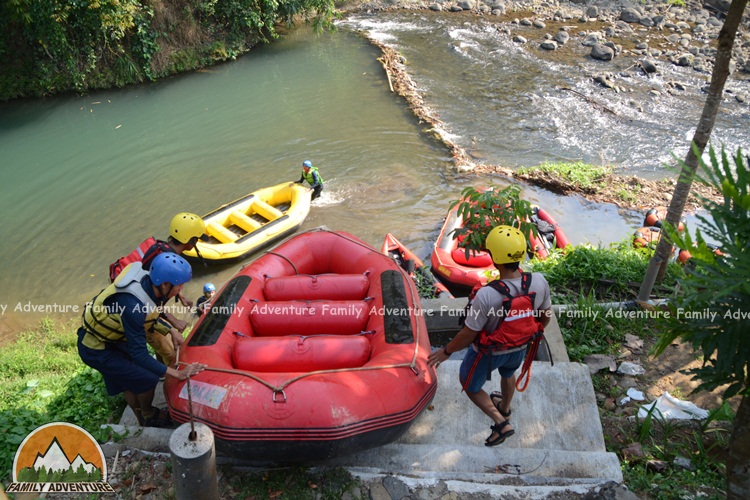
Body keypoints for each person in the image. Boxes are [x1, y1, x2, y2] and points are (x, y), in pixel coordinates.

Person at [427, 225, 552, 447]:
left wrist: (446, 352)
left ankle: (501, 423)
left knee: (470, 384)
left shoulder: (487, 295)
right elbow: (545, 318)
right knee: (508, 373)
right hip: (519, 348)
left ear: (494, 258)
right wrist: (526, 335)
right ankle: (504, 407)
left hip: (489, 353)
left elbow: (468, 334)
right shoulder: (539, 282)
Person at [77, 253, 207, 428]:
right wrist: (177, 373)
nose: (180, 291)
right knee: (147, 379)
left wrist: (170, 330)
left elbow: (149, 315)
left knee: (128, 380)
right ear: (165, 284)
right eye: (179, 286)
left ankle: (139, 418)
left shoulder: (148, 281)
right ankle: (148, 414)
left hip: (113, 339)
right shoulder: (133, 307)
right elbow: (140, 354)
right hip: (97, 349)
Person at [140, 212, 208, 366]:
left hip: (151, 309)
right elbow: (149, 300)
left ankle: (162, 369)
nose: (196, 242)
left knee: (163, 346)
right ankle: (170, 379)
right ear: (190, 241)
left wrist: (181, 296)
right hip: (145, 314)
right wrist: (173, 321)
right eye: (196, 239)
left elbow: (163, 285)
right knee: (173, 354)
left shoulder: (161, 248)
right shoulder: (167, 260)